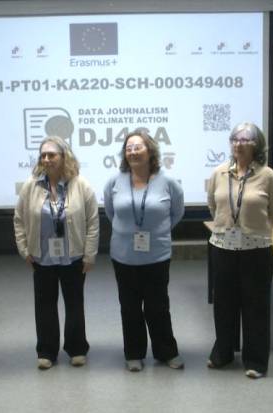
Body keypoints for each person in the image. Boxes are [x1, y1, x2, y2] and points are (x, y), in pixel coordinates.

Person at [13, 136, 99, 369]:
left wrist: (90, 254)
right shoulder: (31, 185)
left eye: (52, 155)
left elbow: (93, 222)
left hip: (73, 256)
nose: (46, 159)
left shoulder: (81, 184)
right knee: (44, 306)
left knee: (74, 304)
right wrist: (24, 249)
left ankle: (77, 348)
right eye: (43, 155)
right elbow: (19, 219)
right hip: (42, 257)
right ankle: (47, 351)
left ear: (64, 156)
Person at [206, 122, 273, 378]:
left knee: (256, 305)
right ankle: (223, 353)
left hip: (256, 250)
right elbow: (213, 205)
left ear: (257, 144)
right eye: (235, 139)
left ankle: (256, 360)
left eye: (245, 139)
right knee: (223, 304)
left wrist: (254, 230)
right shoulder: (219, 173)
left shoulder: (268, 176)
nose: (238, 144)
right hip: (223, 247)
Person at [103, 129, 185, 372]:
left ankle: (166, 351)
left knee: (158, 307)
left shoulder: (168, 182)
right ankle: (133, 353)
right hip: (123, 256)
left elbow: (176, 213)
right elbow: (111, 213)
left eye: (137, 147)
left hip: (156, 256)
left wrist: (158, 231)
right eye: (128, 148)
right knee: (129, 307)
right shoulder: (114, 182)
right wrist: (127, 231)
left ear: (150, 152)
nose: (132, 152)